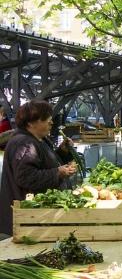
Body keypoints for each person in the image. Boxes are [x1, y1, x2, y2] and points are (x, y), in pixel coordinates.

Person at [0, 100, 77, 237]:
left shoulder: (37, 140)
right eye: (46, 119)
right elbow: (26, 177)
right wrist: (58, 173)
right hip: (27, 220)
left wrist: (62, 152)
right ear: (31, 123)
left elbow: (43, 163)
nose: (51, 122)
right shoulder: (24, 143)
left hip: (35, 218)